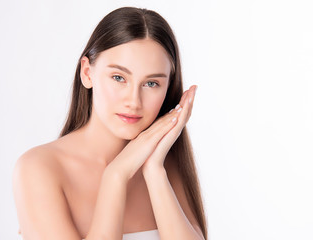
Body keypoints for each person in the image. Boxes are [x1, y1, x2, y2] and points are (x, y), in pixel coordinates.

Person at [12, 6, 207, 240]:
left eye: (152, 83)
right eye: (118, 78)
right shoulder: (39, 169)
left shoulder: (165, 164)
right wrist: (116, 175)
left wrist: (154, 170)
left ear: (168, 88)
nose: (134, 101)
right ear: (87, 73)